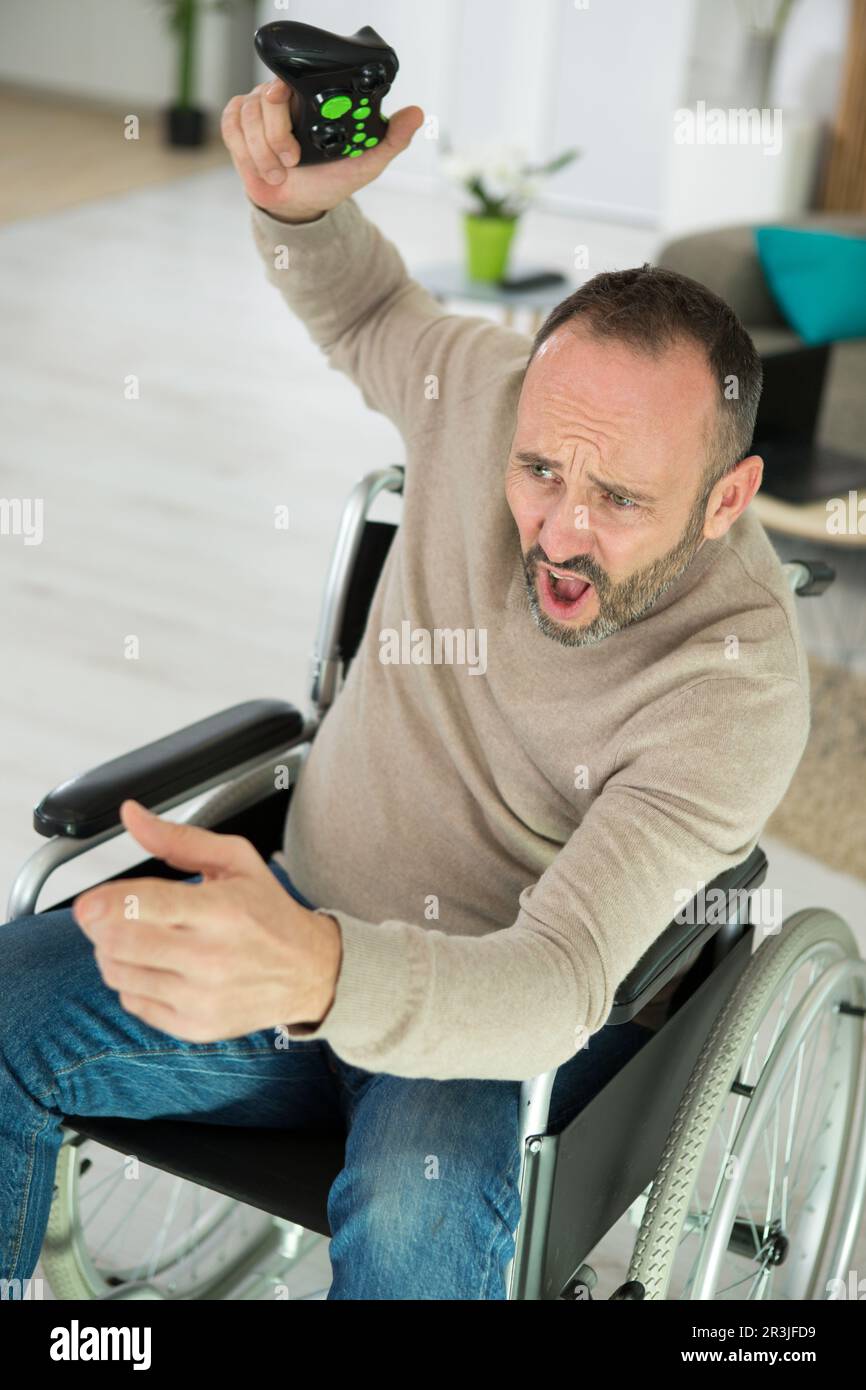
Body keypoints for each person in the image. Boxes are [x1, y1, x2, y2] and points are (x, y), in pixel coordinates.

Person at [0, 80, 808, 1300]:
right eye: (538, 469)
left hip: (492, 1023)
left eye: (622, 501)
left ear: (727, 499)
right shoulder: (485, 401)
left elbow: (553, 985)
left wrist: (321, 972)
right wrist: (297, 210)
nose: (560, 528)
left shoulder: (733, 690)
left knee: (412, 1219)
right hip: (300, 908)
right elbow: (371, 304)